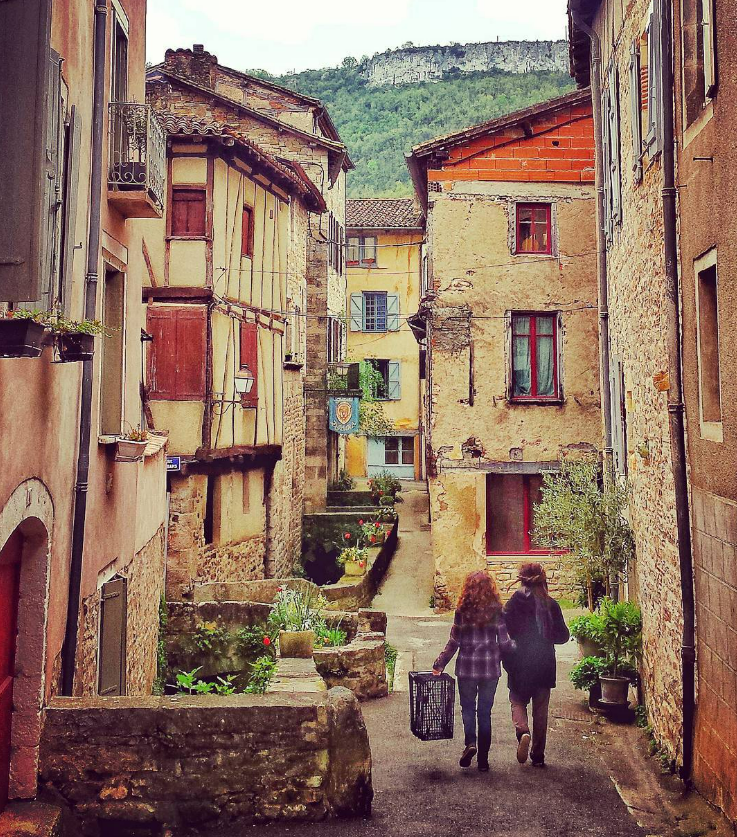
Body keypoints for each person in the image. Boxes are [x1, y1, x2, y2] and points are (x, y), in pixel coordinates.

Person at [432, 570, 513, 772]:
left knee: (468, 708)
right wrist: (515, 649)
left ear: (467, 589)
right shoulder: (498, 611)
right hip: (490, 669)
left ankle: (471, 744)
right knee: (485, 712)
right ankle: (483, 760)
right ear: (491, 589)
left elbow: (454, 641)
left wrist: (440, 663)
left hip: (467, 668)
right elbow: (504, 643)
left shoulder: (462, 611)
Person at [503, 562, 570, 768]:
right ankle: (538, 755)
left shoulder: (513, 603)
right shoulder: (551, 604)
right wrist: (546, 636)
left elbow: (503, 630)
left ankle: (523, 731)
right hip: (544, 663)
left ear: (521, 578)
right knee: (540, 711)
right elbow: (563, 636)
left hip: (519, 662)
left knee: (517, 700)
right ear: (543, 579)